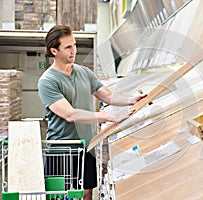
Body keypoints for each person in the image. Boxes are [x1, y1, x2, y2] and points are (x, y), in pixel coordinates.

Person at [38, 24, 146, 200]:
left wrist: (131, 99)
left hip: (86, 146)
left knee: (87, 192)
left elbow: (108, 96)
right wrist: (107, 116)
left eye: (74, 45)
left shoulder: (84, 73)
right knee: (59, 196)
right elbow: (70, 114)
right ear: (54, 51)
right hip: (62, 150)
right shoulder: (47, 81)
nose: (73, 51)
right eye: (67, 47)